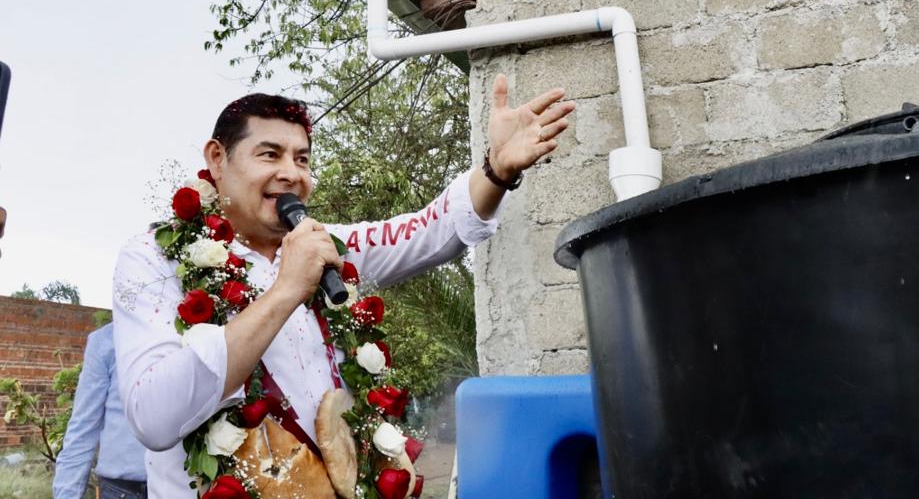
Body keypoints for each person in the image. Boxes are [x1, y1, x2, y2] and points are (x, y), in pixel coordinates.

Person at [112, 75, 574, 498]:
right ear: (217, 159)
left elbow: (426, 230)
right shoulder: (155, 258)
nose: (291, 173)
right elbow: (153, 417)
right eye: (270, 155)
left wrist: (496, 170)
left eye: (302, 159)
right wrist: (287, 289)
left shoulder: (325, 248)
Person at [52, 323, 147, 499]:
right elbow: (84, 427)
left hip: (182, 486)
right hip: (121, 491)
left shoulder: (191, 334)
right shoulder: (107, 339)